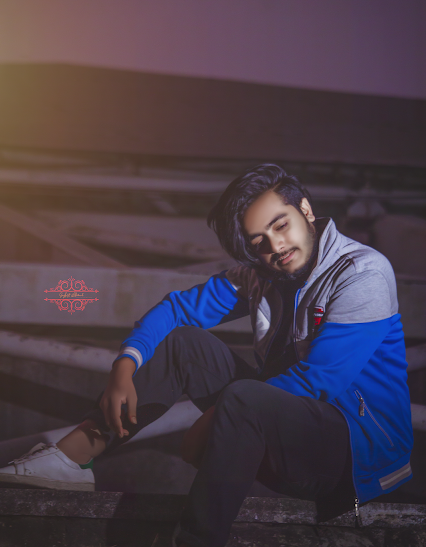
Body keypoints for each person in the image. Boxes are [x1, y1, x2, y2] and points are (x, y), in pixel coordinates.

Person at [0, 164, 413, 547]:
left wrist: (216, 417)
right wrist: (125, 363)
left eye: (281, 225)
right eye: (259, 240)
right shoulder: (261, 273)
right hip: (280, 430)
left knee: (244, 398)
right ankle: (73, 457)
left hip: (357, 455)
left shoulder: (362, 272)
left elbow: (319, 380)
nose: (276, 245)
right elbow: (177, 309)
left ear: (305, 209)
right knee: (184, 344)